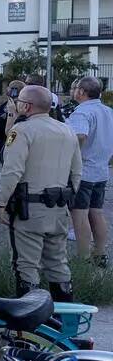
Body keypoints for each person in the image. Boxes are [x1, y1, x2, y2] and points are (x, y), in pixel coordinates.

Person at [0, 85, 82, 300]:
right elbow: (77, 172)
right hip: (59, 205)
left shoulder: (22, 130)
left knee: (26, 265)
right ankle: (64, 322)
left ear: (26, 105)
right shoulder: (67, 130)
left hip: (29, 209)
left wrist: (0, 202)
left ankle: (30, 326)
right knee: (58, 263)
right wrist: (66, 198)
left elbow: (12, 171)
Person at [66, 75, 113, 265]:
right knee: (97, 212)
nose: (72, 91)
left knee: (79, 214)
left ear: (81, 92)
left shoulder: (82, 113)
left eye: (74, 88)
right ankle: (100, 254)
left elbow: (79, 136)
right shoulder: (108, 111)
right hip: (101, 170)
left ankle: (83, 257)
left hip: (83, 171)